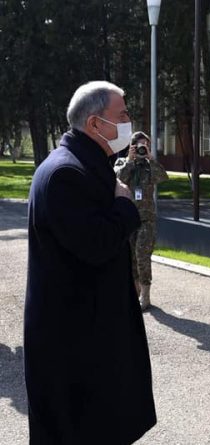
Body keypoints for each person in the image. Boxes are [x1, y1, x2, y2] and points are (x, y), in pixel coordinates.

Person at [25, 81, 156, 443]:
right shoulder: (66, 173)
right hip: (75, 347)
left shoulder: (85, 162)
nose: (128, 122)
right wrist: (125, 206)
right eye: (122, 115)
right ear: (96, 124)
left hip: (87, 335)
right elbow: (96, 243)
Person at [114, 131, 168, 310]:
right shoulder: (123, 163)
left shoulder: (149, 166)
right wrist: (130, 161)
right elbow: (118, 179)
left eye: (145, 145)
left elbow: (162, 177)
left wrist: (151, 159)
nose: (142, 148)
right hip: (128, 217)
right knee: (130, 257)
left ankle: (145, 295)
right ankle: (135, 292)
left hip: (147, 219)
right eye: (139, 145)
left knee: (142, 255)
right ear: (131, 146)